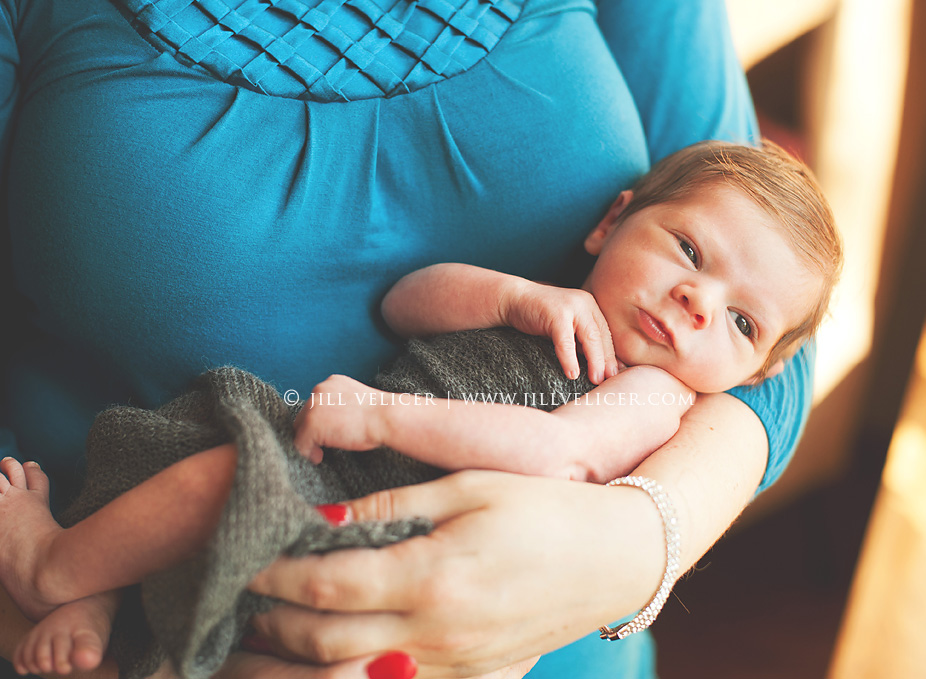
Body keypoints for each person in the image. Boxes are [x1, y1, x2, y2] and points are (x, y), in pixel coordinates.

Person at [0, 1, 817, 678]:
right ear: (613, 221)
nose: (698, 304)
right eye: (686, 252)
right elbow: (408, 303)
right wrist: (513, 296)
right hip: (296, 456)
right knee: (177, 473)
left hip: (402, 510)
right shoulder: (561, 310)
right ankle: (74, 581)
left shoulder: (655, 391)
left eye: (740, 322)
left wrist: (634, 547)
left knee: (218, 495)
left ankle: (73, 574)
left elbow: (559, 450)